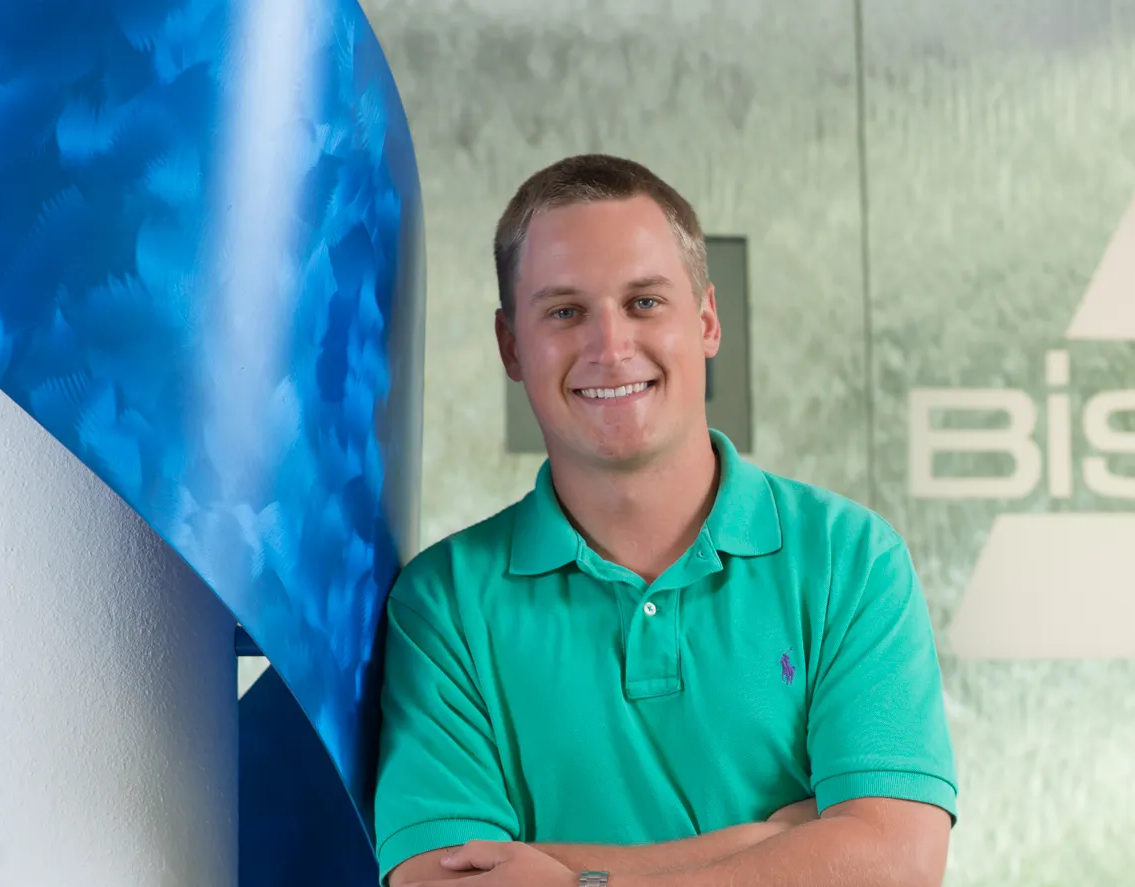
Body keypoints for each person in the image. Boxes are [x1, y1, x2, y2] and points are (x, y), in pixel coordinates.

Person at [374, 155, 957, 887]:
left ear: (707, 321)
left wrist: (577, 879)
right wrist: (772, 842)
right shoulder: (443, 604)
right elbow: (443, 880)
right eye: (565, 311)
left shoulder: (851, 560)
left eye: (644, 302)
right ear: (510, 345)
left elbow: (896, 863)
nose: (610, 347)